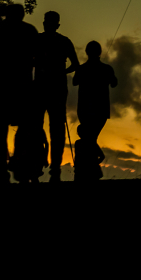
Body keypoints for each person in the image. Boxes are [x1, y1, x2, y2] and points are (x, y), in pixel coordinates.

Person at [0, 3, 39, 168]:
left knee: (0, 126)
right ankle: (16, 159)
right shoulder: (30, 31)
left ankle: (3, 165)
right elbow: (39, 59)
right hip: (21, 84)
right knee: (23, 124)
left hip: (2, 83)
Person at [34, 11, 80, 183]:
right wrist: (61, 71)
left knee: (42, 129)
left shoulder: (38, 40)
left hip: (43, 88)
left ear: (46, 23)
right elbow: (75, 65)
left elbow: (75, 65)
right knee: (55, 130)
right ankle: (53, 168)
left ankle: (43, 167)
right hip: (54, 88)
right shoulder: (64, 41)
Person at [72, 41, 117, 143]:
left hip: (84, 109)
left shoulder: (82, 69)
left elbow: (74, 82)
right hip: (100, 110)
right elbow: (114, 83)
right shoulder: (106, 69)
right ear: (100, 52)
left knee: (89, 139)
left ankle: (89, 158)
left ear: (87, 52)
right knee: (92, 139)